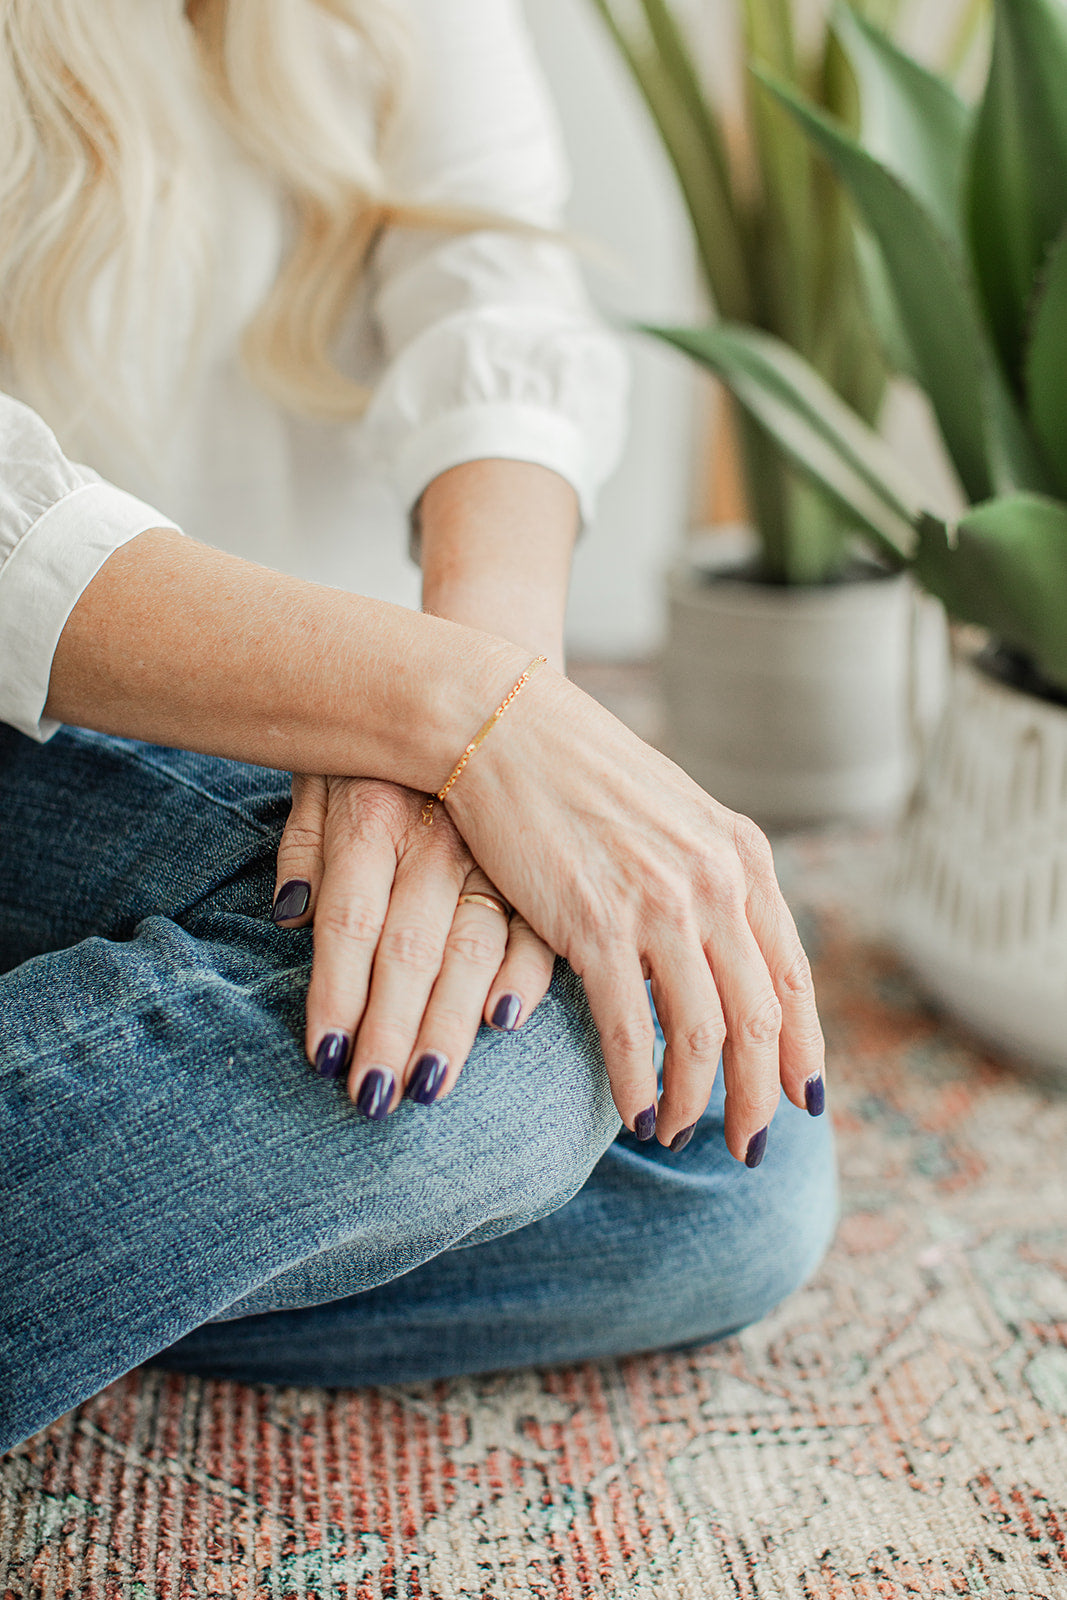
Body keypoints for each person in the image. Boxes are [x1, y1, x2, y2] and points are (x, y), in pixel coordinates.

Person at [0, 0, 836, 1456]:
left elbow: (491, 276)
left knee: (724, 1166)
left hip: (245, 726)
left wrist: (487, 730)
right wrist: (456, 711)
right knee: (524, 1062)